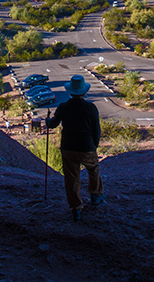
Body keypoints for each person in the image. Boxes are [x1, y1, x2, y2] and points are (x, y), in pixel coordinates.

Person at [45, 74, 105, 221]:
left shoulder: (63, 107)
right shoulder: (90, 108)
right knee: (93, 169)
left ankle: (75, 208)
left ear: (70, 91)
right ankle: (95, 196)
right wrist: (94, 146)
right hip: (86, 147)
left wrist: (47, 120)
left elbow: (52, 124)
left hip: (68, 147)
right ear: (84, 92)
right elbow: (96, 130)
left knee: (71, 178)